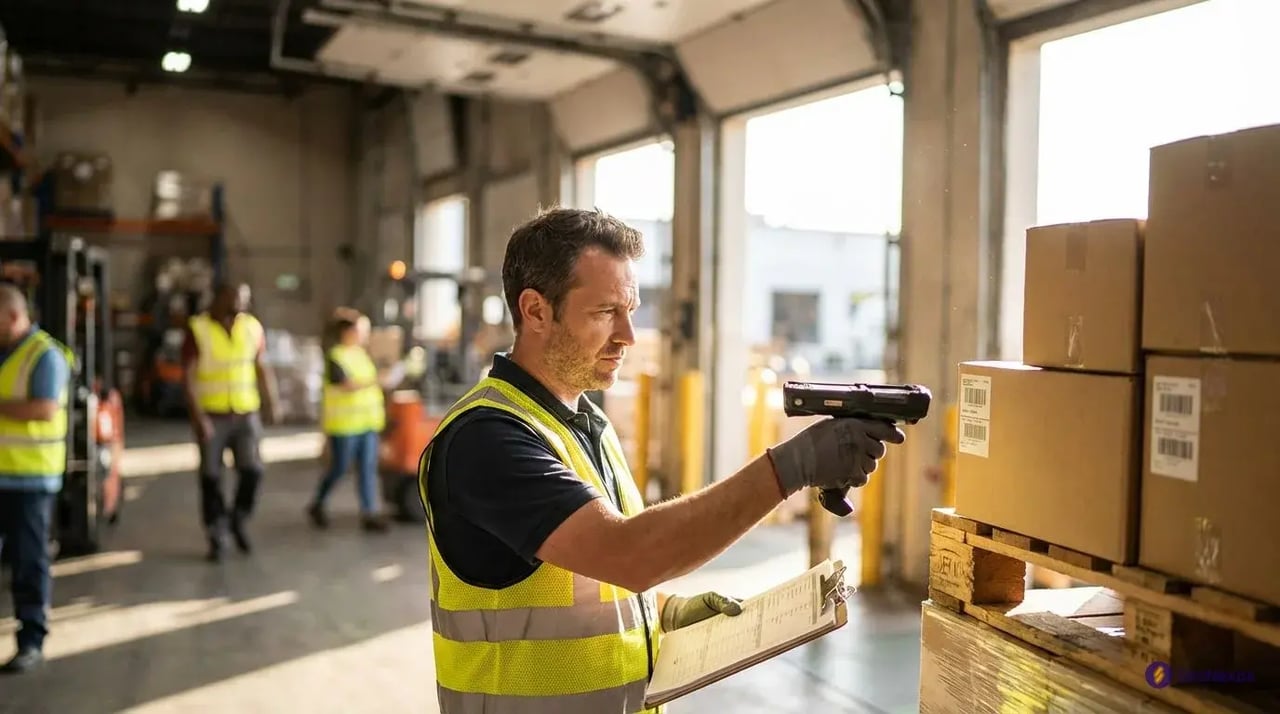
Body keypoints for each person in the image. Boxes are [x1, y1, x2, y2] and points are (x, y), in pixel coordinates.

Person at [418, 208, 905, 713]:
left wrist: (664, 612)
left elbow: (585, 580)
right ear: (536, 311)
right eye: (606, 311)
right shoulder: (488, 440)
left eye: (631, 309)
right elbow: (629, 555)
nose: (628, 335)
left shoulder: (583, 424)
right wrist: (791, 466)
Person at [0, 284, 71, 674]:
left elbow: (43, 409)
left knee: (29, 563)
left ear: (14, 316)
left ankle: (31, 642)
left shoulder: (45, 355)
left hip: (30, 480)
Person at [183, 282, 279, 562]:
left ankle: (238, 518)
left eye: (245, 299)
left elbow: (261, 365)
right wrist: (198, 417)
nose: (242, 304)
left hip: (245, 413)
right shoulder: (197, 329)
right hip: (212, 415)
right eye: (236, 298)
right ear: (220, 298)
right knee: (211, 476)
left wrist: (272, 400)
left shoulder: (252, 327)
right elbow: (188, 377)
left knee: (253, 470)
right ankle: (216, 532)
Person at [307, 316, 388, 532]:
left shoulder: (361, 355)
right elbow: (345, 384)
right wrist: (375, 380)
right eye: (361, 331)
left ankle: (369, 513)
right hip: (344, 426)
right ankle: (318, 503)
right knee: (339, 467)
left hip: (368, 424)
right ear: (348, 332)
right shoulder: (335, 357)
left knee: (367, 469)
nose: (364, 335)